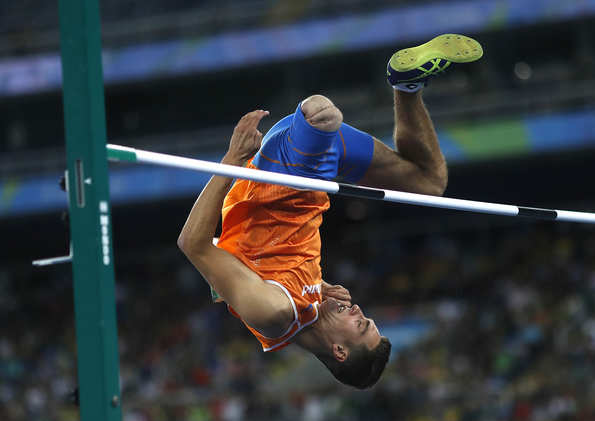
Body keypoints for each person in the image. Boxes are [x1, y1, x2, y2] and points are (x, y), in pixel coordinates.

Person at [178, 34, 483, 389]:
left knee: (322, 113)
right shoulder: (308, 307)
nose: (359, 312)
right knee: (429, 182)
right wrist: (317, 287)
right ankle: (407, 85)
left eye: (362, 325)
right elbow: (261, 261)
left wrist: (233, 160)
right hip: (312, 175)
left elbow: (194, 243)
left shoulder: (274, 312)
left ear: (339, 351)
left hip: (283, 176)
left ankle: (314, 120)